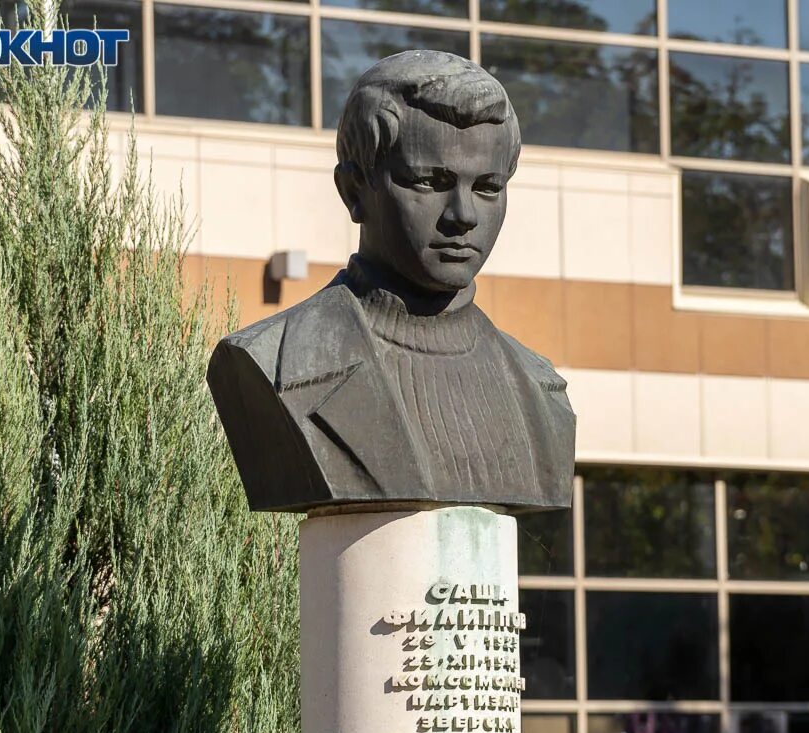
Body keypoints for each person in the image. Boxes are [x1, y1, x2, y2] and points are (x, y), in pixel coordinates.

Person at [207, 50, 575, 513]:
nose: (463, 216)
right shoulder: (270, 361)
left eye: (487, 187)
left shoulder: (541, 389)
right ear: (354, 191)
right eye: (429, 182)